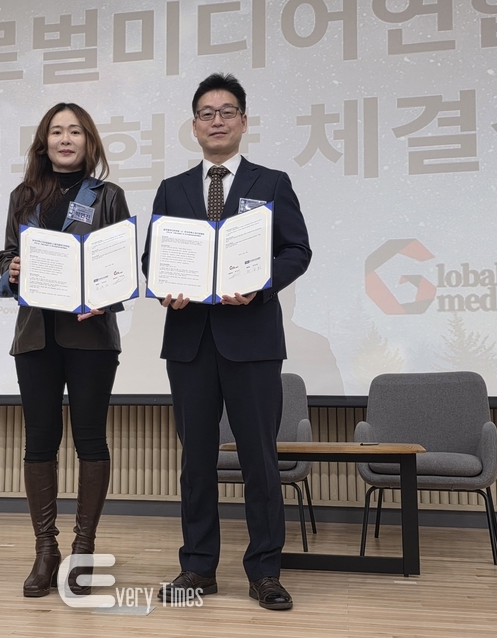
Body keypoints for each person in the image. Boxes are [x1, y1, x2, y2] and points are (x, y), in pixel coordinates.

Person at [142, 73, 311, 611]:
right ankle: (197, 567)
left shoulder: (272, 182)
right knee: (196, 460)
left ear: (243, 121)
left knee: (260, 459)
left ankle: (265, 571)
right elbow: (153, 258)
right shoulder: (172, 189)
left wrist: (261, 284)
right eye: (207, 113)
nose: (217, 121)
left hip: (252, 339)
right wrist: (164, 287)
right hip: (189, 342)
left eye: (227, 111)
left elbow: (297, 251)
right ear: (194, 126)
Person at [0, 103, 130, 598]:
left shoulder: (107, 195)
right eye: (56, 131)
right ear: (44, 142)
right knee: (39, 442)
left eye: (74, 131)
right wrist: (11, 268)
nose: (65, 139)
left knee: (90, 440)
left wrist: (105, 297)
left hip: (91, 338)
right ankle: (45, 549)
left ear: (88, 141)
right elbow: (9, 252)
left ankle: (84, 548)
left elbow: (121, 265)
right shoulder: (24, 195)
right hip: (36, 335)